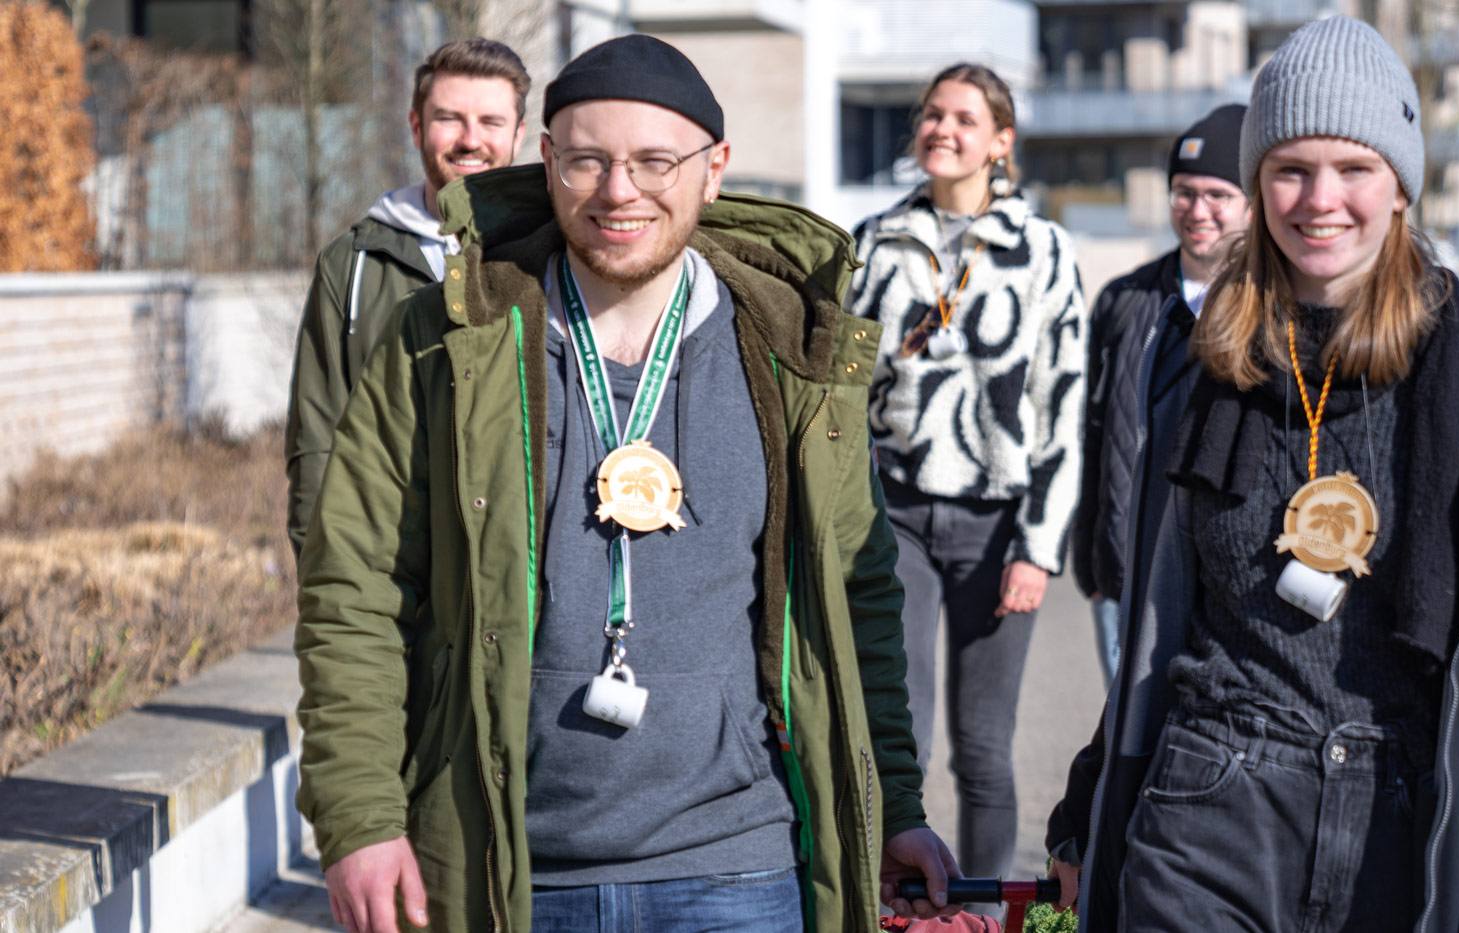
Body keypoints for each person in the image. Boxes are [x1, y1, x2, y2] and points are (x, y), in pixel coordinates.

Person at [295, 34, 957, 933]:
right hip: (509, 868)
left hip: (738, 867)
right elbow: (356, 591)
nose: (619, 192)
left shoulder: (794, 357)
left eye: (655, 162)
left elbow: (857, 597)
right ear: (548, 159)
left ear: (714, 169)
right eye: (587, 161)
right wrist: (361, 819)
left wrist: (898, 805)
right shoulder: (441, 342)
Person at [1045, 17, 1459, 932]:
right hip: (1208, 803)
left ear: (1402, 184)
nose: (1319, 199)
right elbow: (1157, 617)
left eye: (1355, 169)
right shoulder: (1198, 367)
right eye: (1291, 169)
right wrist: (1086, 806)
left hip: (1402, 825)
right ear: (1258, 183)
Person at [843, 62, 1087, 885]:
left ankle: (986, 909)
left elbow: (1063, 404)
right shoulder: (873, 240)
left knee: (983, 743)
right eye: (931, 115)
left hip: (997, 522)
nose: (941, 129)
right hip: (895, 515)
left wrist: (1039, 546)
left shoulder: (1045, 249)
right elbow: (841, 388)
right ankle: (893, 901)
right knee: (895, 730)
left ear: (1001, 142)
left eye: (964, 119)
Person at [283, 37, 529, 553]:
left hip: (524, 572)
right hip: (395, 570)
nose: (470, 140)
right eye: (449, 119)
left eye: (490, 122)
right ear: (416, 126)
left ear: (519, 134)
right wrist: (321, 577)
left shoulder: (553, 257)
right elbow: (319, 438)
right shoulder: (354, 264)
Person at [1071, 104, 1250, 684]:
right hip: (1124, 573)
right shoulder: (1124, 300)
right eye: (1183, 192)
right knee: (1123, 743)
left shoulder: (1270, 309)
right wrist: (1092, 557)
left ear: (1252, 203)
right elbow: (1095, 431)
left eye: (1219, 194)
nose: (1198, 211)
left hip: (1221, 584)